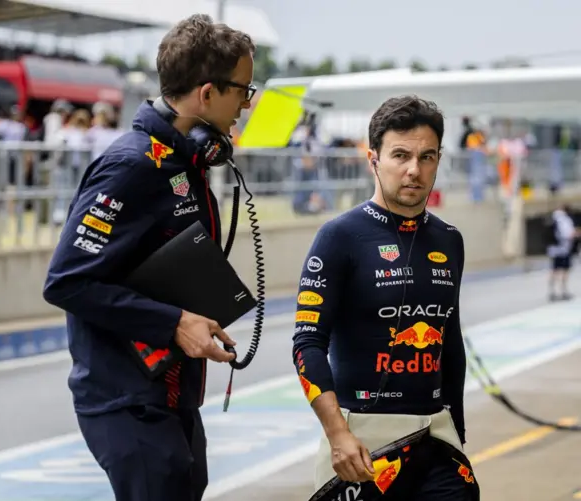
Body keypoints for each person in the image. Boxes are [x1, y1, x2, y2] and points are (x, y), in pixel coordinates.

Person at [42, 14, 256, 501]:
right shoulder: (131, 166)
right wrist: (174, 321)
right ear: (207, 94)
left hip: (170, 389)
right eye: (243, 90)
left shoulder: (187, 161)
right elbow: (67, 282)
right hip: (126, 396)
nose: (247, 102)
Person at [292, 96, 479, 500]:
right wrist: (337, 434)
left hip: (435, 440)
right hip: (362, 445)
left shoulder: (449, 240)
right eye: (401, 155)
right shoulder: (338, 237)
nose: (415, 169)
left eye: (427, 157)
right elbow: (307, 344)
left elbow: (451, 345)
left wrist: (458, 436)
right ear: (373, 158)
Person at [546, 204, 580, 301]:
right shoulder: (563, 219)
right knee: (564, 269)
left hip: (553, 248)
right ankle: (563, 291)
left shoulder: (553, 217)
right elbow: (567, 234)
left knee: (554, 269)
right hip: (563, 248)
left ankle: (552, 291)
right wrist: (576, 234)